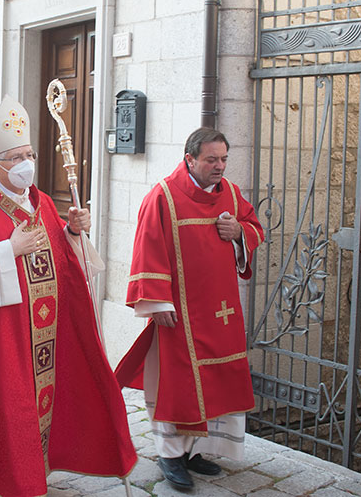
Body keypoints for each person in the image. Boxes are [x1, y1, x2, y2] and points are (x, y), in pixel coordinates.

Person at [0, 96, 137, 496]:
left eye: (29, 154)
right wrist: (8, 250)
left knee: (41, 405)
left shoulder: (41, 203)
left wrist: (74, 232)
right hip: (2, 336)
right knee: (8, 408)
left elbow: (65, 259)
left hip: (46, 332)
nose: (26, 163)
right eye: (15, 157)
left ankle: (35, 465)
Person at [115, 127, 264, 491]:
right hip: (179, 312)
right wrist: (156, 303)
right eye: (212, 159)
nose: (220, 166)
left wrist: (239, 232)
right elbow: (147, 247)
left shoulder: (229, 193)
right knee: (177, 384)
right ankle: (170, 455)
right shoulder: (163, 197)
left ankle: (198, 449)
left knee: (218, 380)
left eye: (224, 159)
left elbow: (253, 225)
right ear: (190, 159)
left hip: (222, 309)